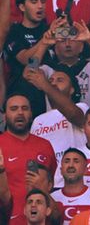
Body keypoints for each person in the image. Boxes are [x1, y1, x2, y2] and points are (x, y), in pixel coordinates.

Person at [0, 93, 56, 222]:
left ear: (31, 114)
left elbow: (50, 184)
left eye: (24, 108)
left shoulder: (45, 145)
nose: (20, 112)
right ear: (5, 116)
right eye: (14, 109)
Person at [51, 149, 90, 224]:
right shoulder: (52, 199)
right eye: (67, 161)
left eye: (76, 161)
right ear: (61, 170)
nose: (71, 165)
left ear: (85, 169)